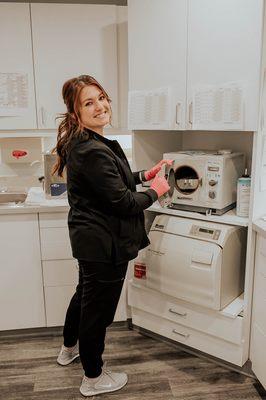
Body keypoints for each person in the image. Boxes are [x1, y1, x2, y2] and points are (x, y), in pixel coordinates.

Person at [53, 74, 171, 397]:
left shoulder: (89, 143)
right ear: (76, 114)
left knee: (84, 297)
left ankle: (68, 349)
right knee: (97, 312)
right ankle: (92, 378)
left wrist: (145, 175)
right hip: (103, 245)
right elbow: (122, 202)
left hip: (91, 242)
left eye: (101, 98)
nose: (100, 106)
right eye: (89, 103)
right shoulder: (91, 149)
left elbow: (114, 182)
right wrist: (156, 191)